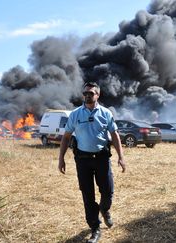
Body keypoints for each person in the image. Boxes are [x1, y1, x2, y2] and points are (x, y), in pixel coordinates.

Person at [58, 82, 126, 243]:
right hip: (82, 160)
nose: (87, 95)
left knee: (108, 191)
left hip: (102, 158)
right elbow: (66, 137)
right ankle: (95, 228)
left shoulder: (106, 113)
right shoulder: (75, 114)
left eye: (91, 93)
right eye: (85, 93)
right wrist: (61, 158)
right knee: (88, 196)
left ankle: (104, 209)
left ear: (98, 95)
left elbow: (114, 135)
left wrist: (121, 156)